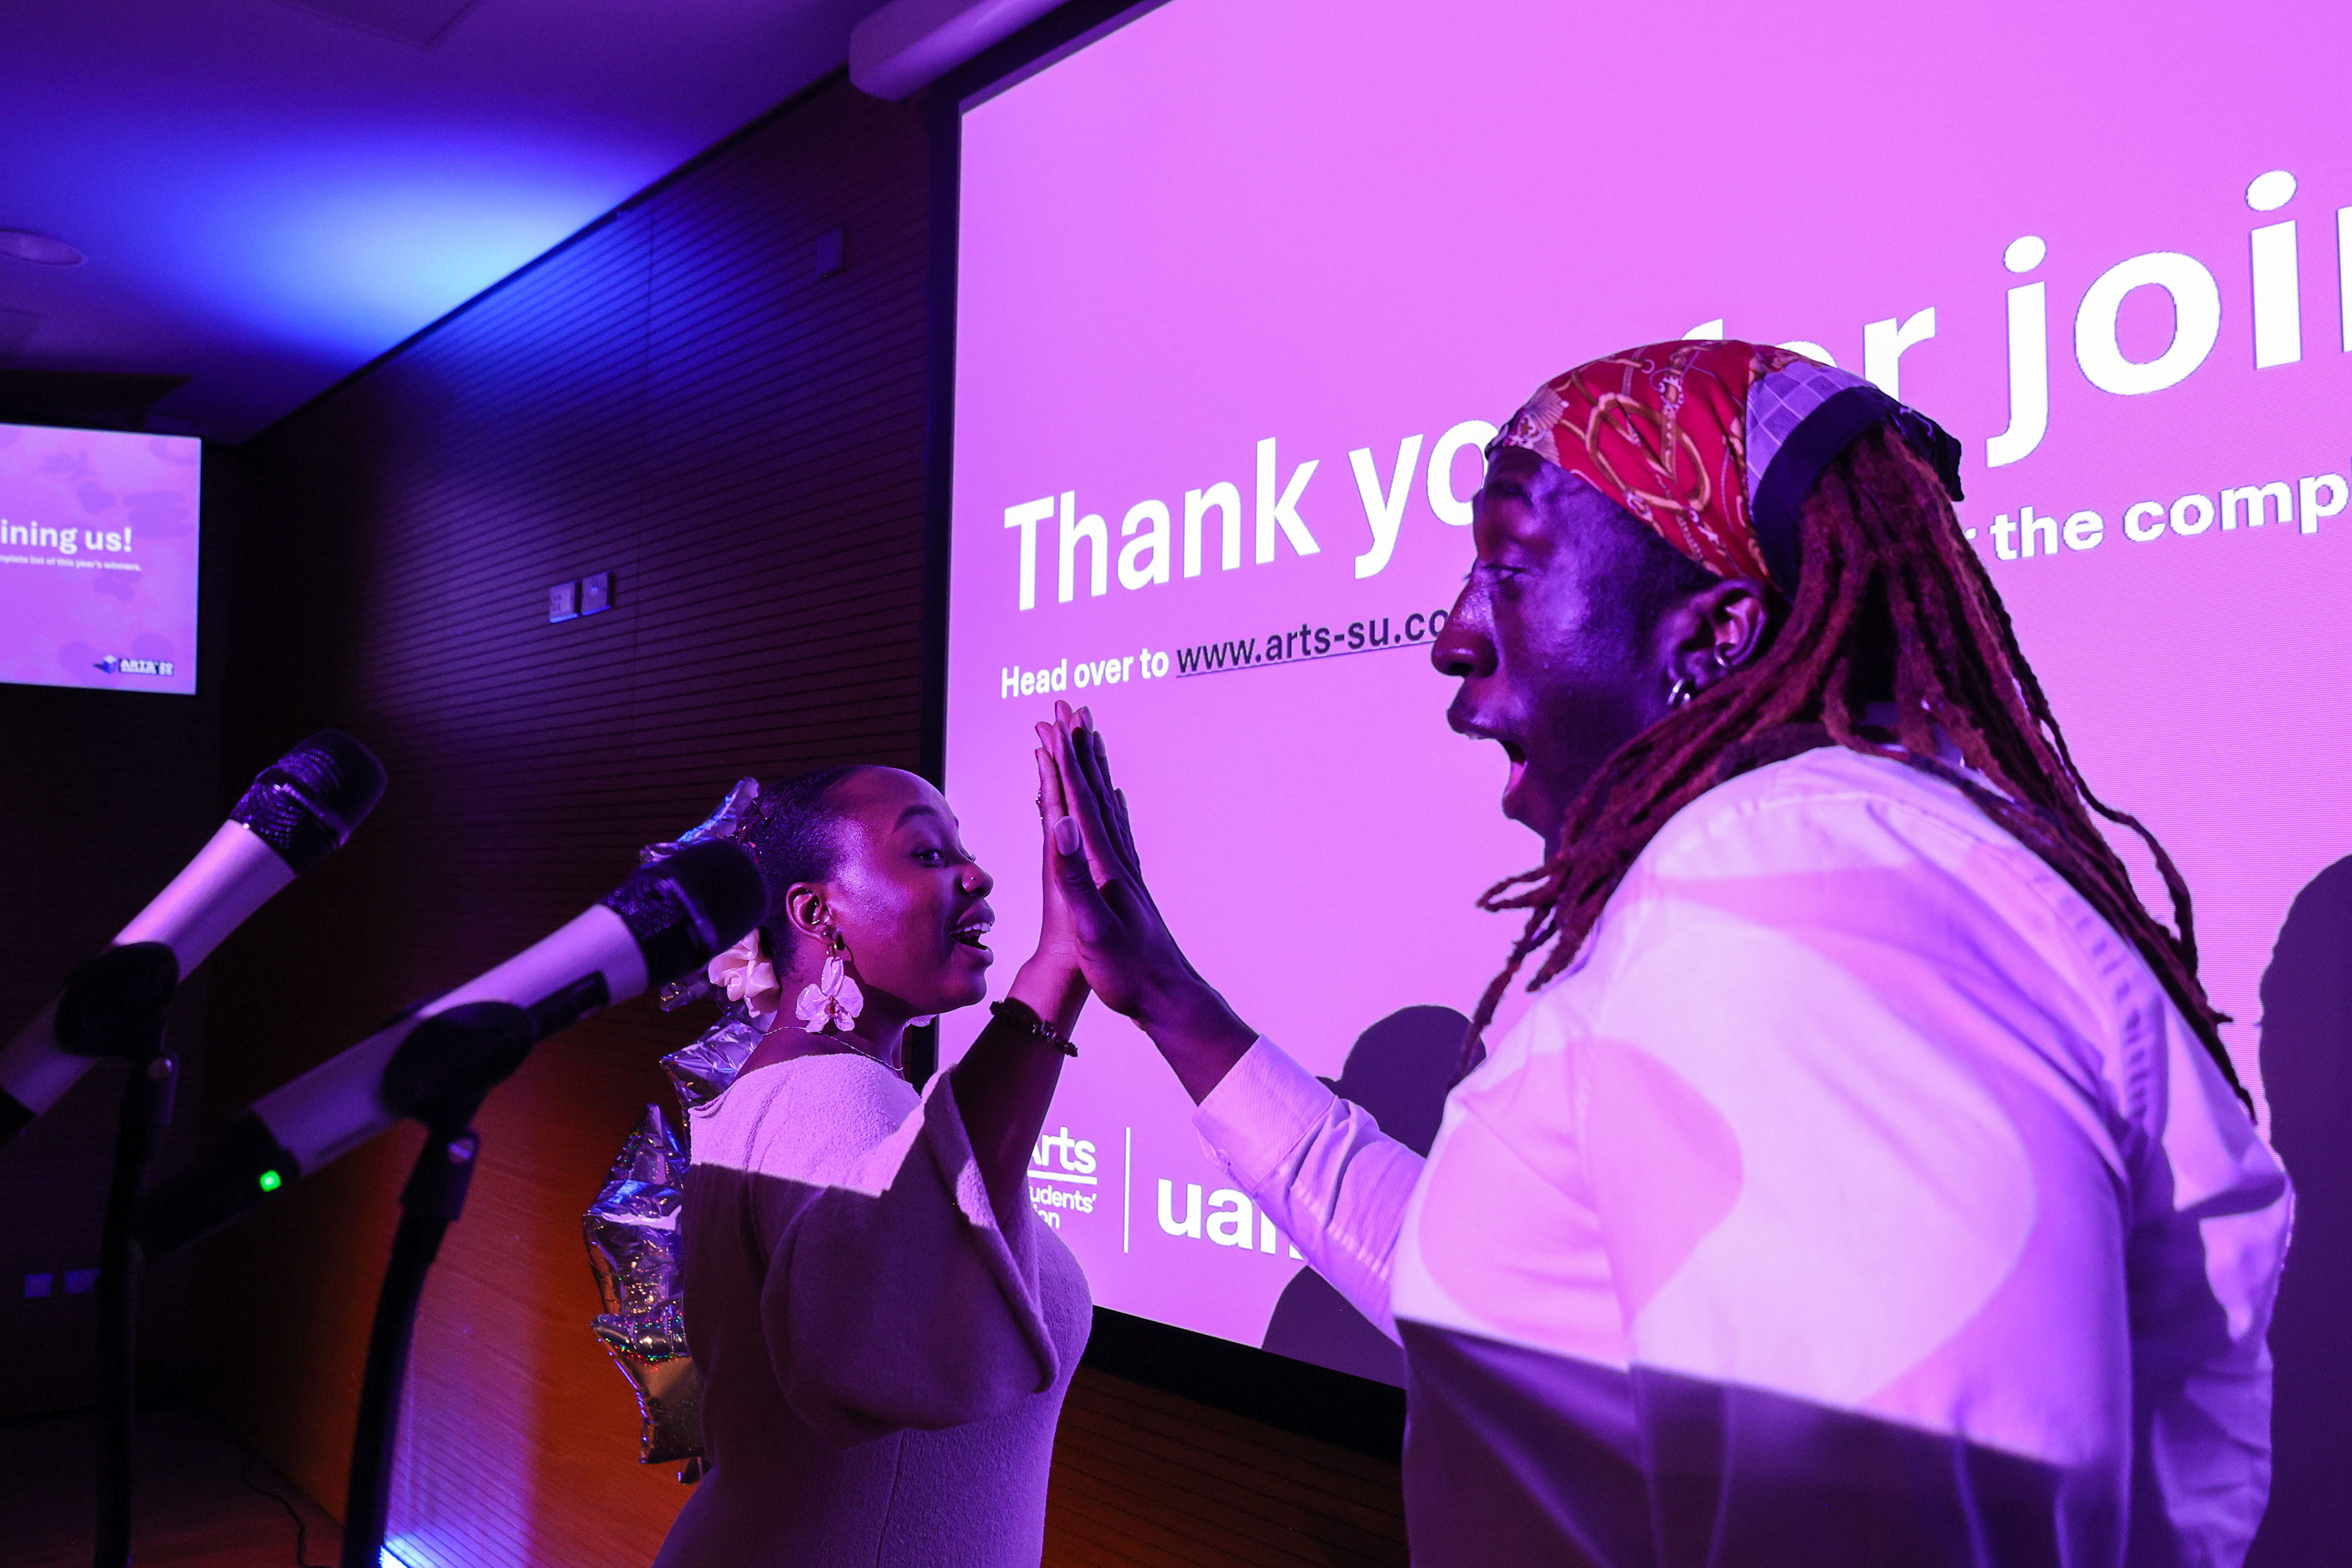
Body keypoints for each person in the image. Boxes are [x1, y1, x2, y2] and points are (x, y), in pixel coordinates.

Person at [1037, 341, 2293, 1567]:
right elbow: (1502, 1305)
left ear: (1714, 633)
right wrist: (1161, 995)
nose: (1450, 639)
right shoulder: (1816, 881)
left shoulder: (1802, 902)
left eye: (1510, 573)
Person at [651, 761, 1092, 1568]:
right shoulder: (832, 1093)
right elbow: (894, 1324)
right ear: (816, 910)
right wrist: (1053, 976)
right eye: (926, 853)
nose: (977, 873)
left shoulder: (815, 1087)